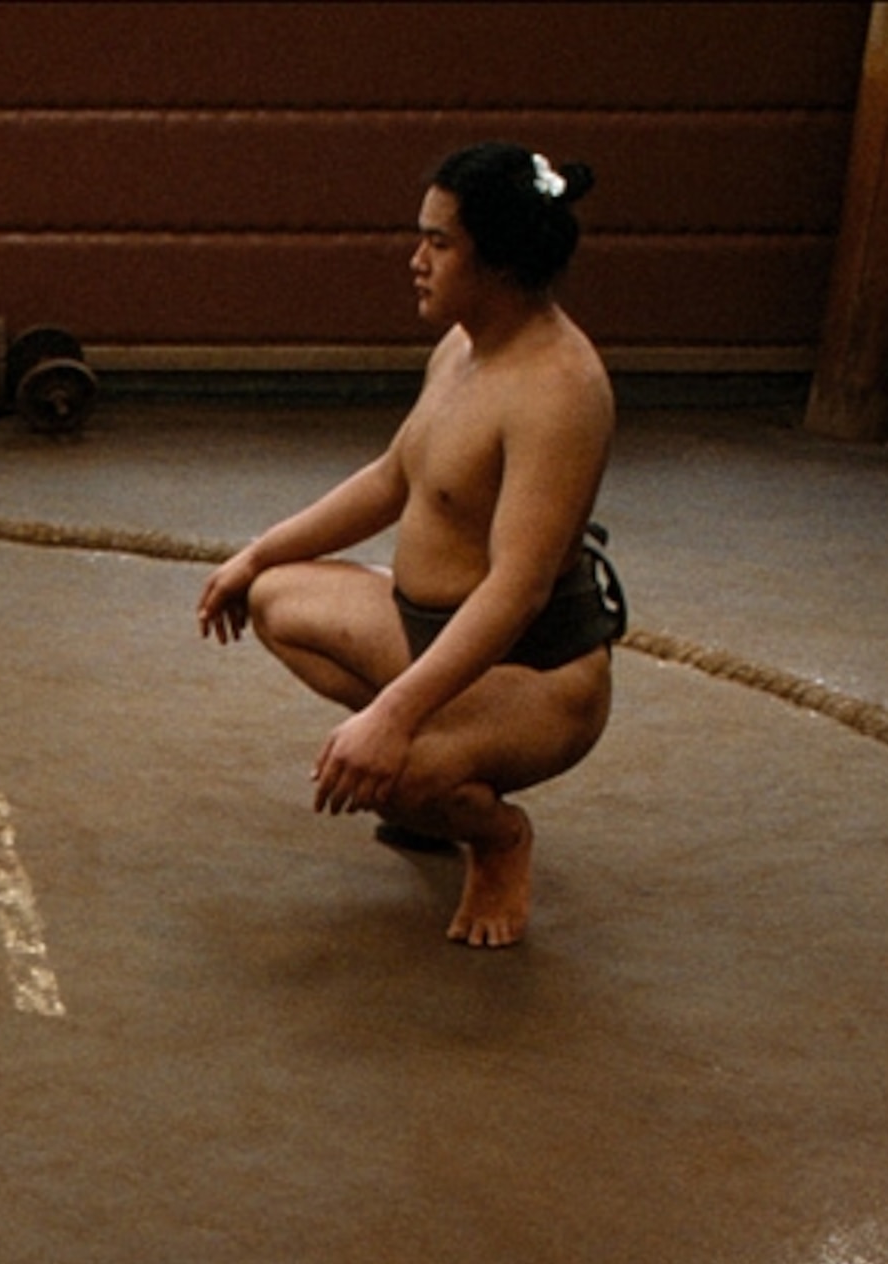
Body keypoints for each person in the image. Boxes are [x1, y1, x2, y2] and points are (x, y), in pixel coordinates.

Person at [196, 144, 623, 948]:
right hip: (427, 623)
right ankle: (431, 758)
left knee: (391, 777)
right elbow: (393, 477)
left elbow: (519, 590)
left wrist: (390, 717)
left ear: (498, 259)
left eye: (439, 242)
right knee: (273, 595)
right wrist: (256, 553)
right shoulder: (462, 346)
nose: (415, 260)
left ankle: (494, 836)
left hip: (536, 671)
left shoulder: (560, 391)